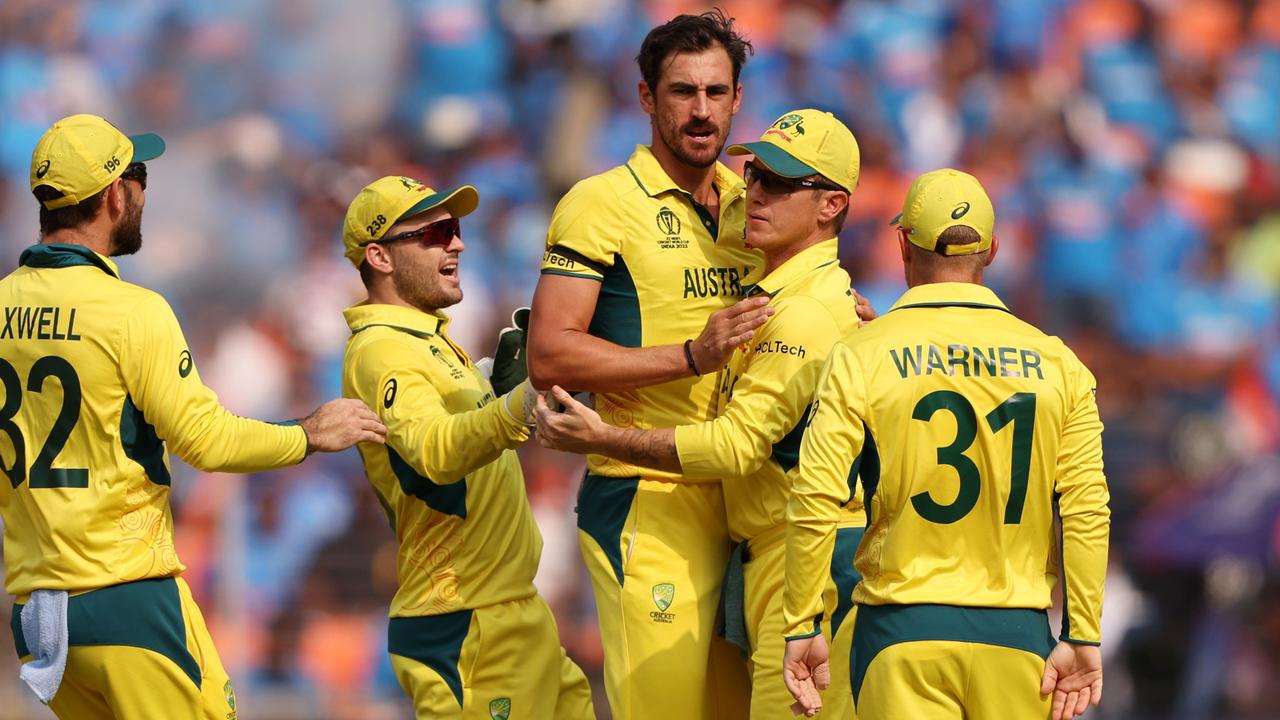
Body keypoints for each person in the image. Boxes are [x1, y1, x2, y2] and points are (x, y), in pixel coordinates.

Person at [2, 113, 387, 720]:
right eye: (139, 175)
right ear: (112, 193)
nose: (145, 191)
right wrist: (309, 434)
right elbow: (206, 441)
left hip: (38, 616)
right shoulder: (134, 310)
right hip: (129, 597)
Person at [535, 108, 872, 719]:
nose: (755, 191)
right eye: (755, 172)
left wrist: (605, 436)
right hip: (775, 548)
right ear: (645, 97)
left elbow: (739, 446)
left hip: (803, 558)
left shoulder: (804, 312)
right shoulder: (803, 297)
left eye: (781, 182)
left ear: (831, 206)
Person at [782, 169, 1109, 720]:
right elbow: (1084, 508)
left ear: (903, 244)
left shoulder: (863, 354)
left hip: (900, 632)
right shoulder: (1059, 363)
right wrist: (1084, 632)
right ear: (993, 250)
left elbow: (816, 496)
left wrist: (802, 622)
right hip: (1017, 633)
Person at [527, 10, 774, 719]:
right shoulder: (600, 204)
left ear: (736, 100)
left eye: (716, 93)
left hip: (744, 501)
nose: (701, 111)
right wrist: (692, 356)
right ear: (646, 99)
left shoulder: (754, 206)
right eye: (681, 92)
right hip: (645, 498)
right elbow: (550, 354)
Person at [338, 175, 593, 719]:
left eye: (454, 229)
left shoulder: (425, 337)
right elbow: (434, 450)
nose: (457, 243)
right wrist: (519, 403)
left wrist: (496, 393)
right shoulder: (381, 350)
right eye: (434, 233)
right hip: (467, 622)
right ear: (379, 257)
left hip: (511, 612)